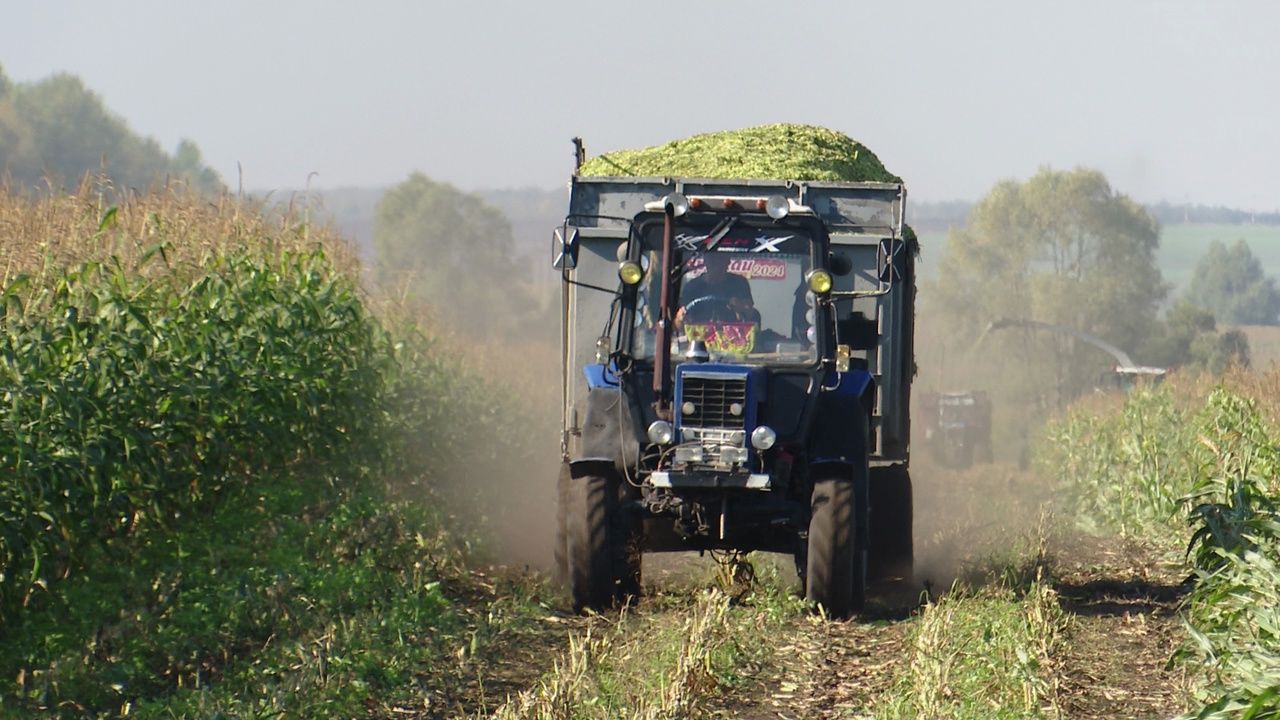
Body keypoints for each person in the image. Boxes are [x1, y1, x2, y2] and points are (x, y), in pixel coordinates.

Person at [674, 252, 758, 330]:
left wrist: (741, 306)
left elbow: (750, 312)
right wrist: (680, 319)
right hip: (699, 340)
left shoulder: (739, 283)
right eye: (712, 261)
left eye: (720, 260)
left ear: (727, 262)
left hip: (732, 339)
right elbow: (679, 325)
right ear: (706, 262)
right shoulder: (692, 287)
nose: (716, 266)